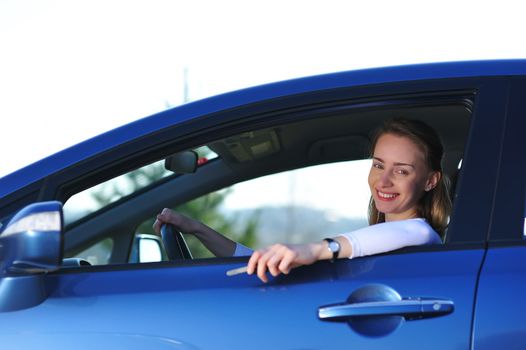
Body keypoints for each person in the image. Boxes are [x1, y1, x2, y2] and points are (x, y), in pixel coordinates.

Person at [153, 118, 451, 282]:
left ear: (429, 180)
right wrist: (194, 228)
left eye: (401, 171)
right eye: (378, 165)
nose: (384, 180)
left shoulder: (421, 236)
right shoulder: (377, 240)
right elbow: (252, 261)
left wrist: (314, 249)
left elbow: (412, 231)